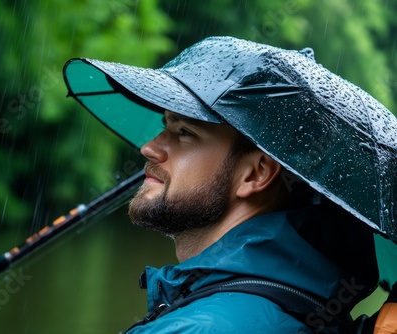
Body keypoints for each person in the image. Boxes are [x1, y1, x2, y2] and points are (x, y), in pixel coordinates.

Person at [63, 36, 393, 333]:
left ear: (255, 174)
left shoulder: (199, 328)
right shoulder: (310, 311)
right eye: (165, 125)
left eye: (184, 133)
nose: (148, 148)